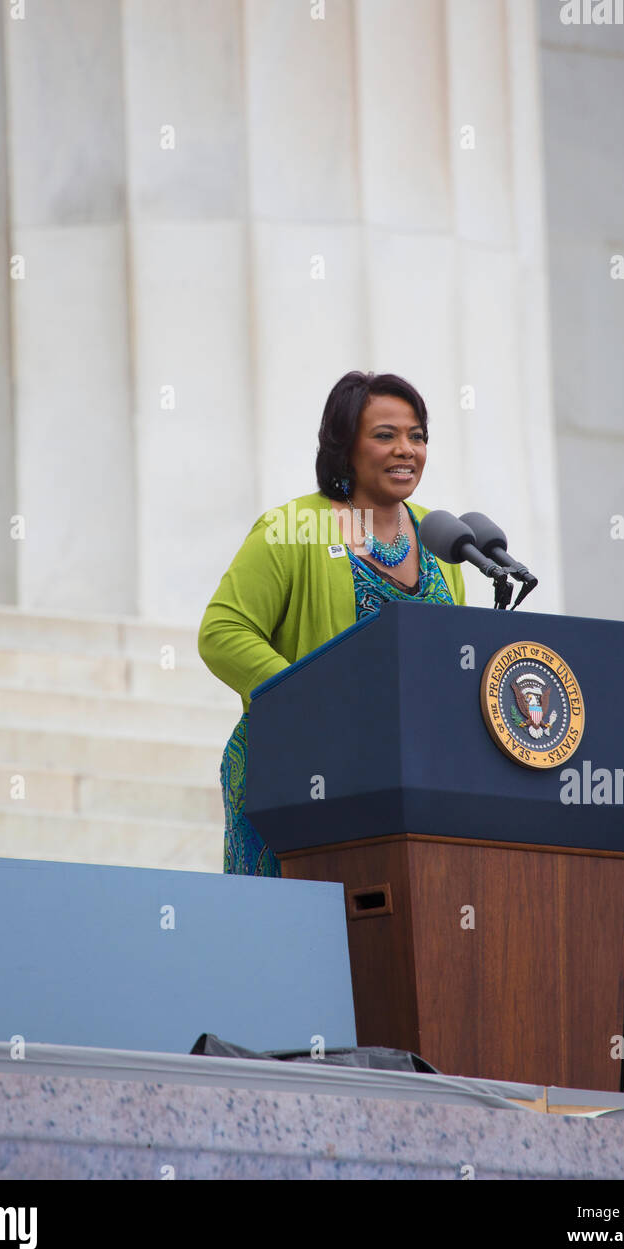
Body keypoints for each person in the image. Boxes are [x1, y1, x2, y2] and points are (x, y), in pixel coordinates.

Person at [197, 370, 467, 876]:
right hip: (297, 780)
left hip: (402, 789)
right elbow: (222, 632)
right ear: (345, 447)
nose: (406, 450)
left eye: (417, 436)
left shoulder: (440, 540)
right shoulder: (294, 527)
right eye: (385, 435)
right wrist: (307, 698)